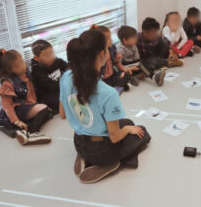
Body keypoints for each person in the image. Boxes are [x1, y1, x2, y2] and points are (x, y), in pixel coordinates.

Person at [59, 29, 151, 184]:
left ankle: (84, 155)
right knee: (141, 132)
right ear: (102, 54)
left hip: (79, 141)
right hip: (101, 151)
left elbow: (62, 114)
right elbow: (114, 137)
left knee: (127, 122)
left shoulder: (66, 77)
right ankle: (110, 164)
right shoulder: (107, 93)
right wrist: (128, 130)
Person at [0, 49, 52, 145]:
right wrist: (16, 121)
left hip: (30, 104)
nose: (24, 64)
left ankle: (23, 130)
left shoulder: (25, 74)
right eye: (19, 64)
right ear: (10, 70)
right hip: (20, 110)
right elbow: (7, 106)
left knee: (47, 109)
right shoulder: (8, 84)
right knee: (44, 109)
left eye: (22, 61)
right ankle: (31, 133)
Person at [90, 24, 139, 91]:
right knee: (102, 87)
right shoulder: (98, 55)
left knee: (126, 74)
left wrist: (124, 69)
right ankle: (115, 87)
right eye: (109, 38)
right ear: (101, 42)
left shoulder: (112, 49)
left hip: (113, 76)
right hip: (103, 79)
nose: (111, 39)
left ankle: (119, 85)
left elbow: (117, 62)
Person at [137, 17, 183, 86]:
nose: (155, 35)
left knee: (164, 43)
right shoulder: (137, 39)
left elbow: (166, 42)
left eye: (156, 32)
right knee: (147, 63)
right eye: (153, 33)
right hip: (143, 60)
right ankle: (167, 63)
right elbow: (137, 59)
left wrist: (171, 52)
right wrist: (141, 70)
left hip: (154, 56)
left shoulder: (156, 38)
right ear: (145, 32)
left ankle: (167, 61)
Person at [31, 39, 68, 113]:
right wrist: (67, 84)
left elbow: (69, 70)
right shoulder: (36, 71)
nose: (51, 57)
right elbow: (50, 86)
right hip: (50, 96)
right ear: (36, 58)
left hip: (62, 89)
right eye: (46, 55)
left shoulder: (57, 61)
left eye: (51, 53)